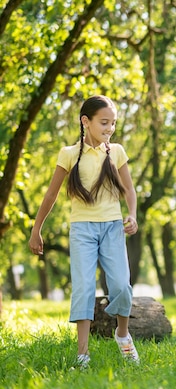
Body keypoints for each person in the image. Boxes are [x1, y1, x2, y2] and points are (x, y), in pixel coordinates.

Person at [29, 95, 140, 368]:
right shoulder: (68, 154)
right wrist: (36, 229)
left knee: (121, 287)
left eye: (113, 123)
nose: (109, 128)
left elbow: (129, 190)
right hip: (82, 230)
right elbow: (51, 195)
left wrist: (132, 215)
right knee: (83, 288)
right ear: (85, 121)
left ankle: (123, 335)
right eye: (104, 122)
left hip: (113, 226)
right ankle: (83, 354)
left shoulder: (116, 152)